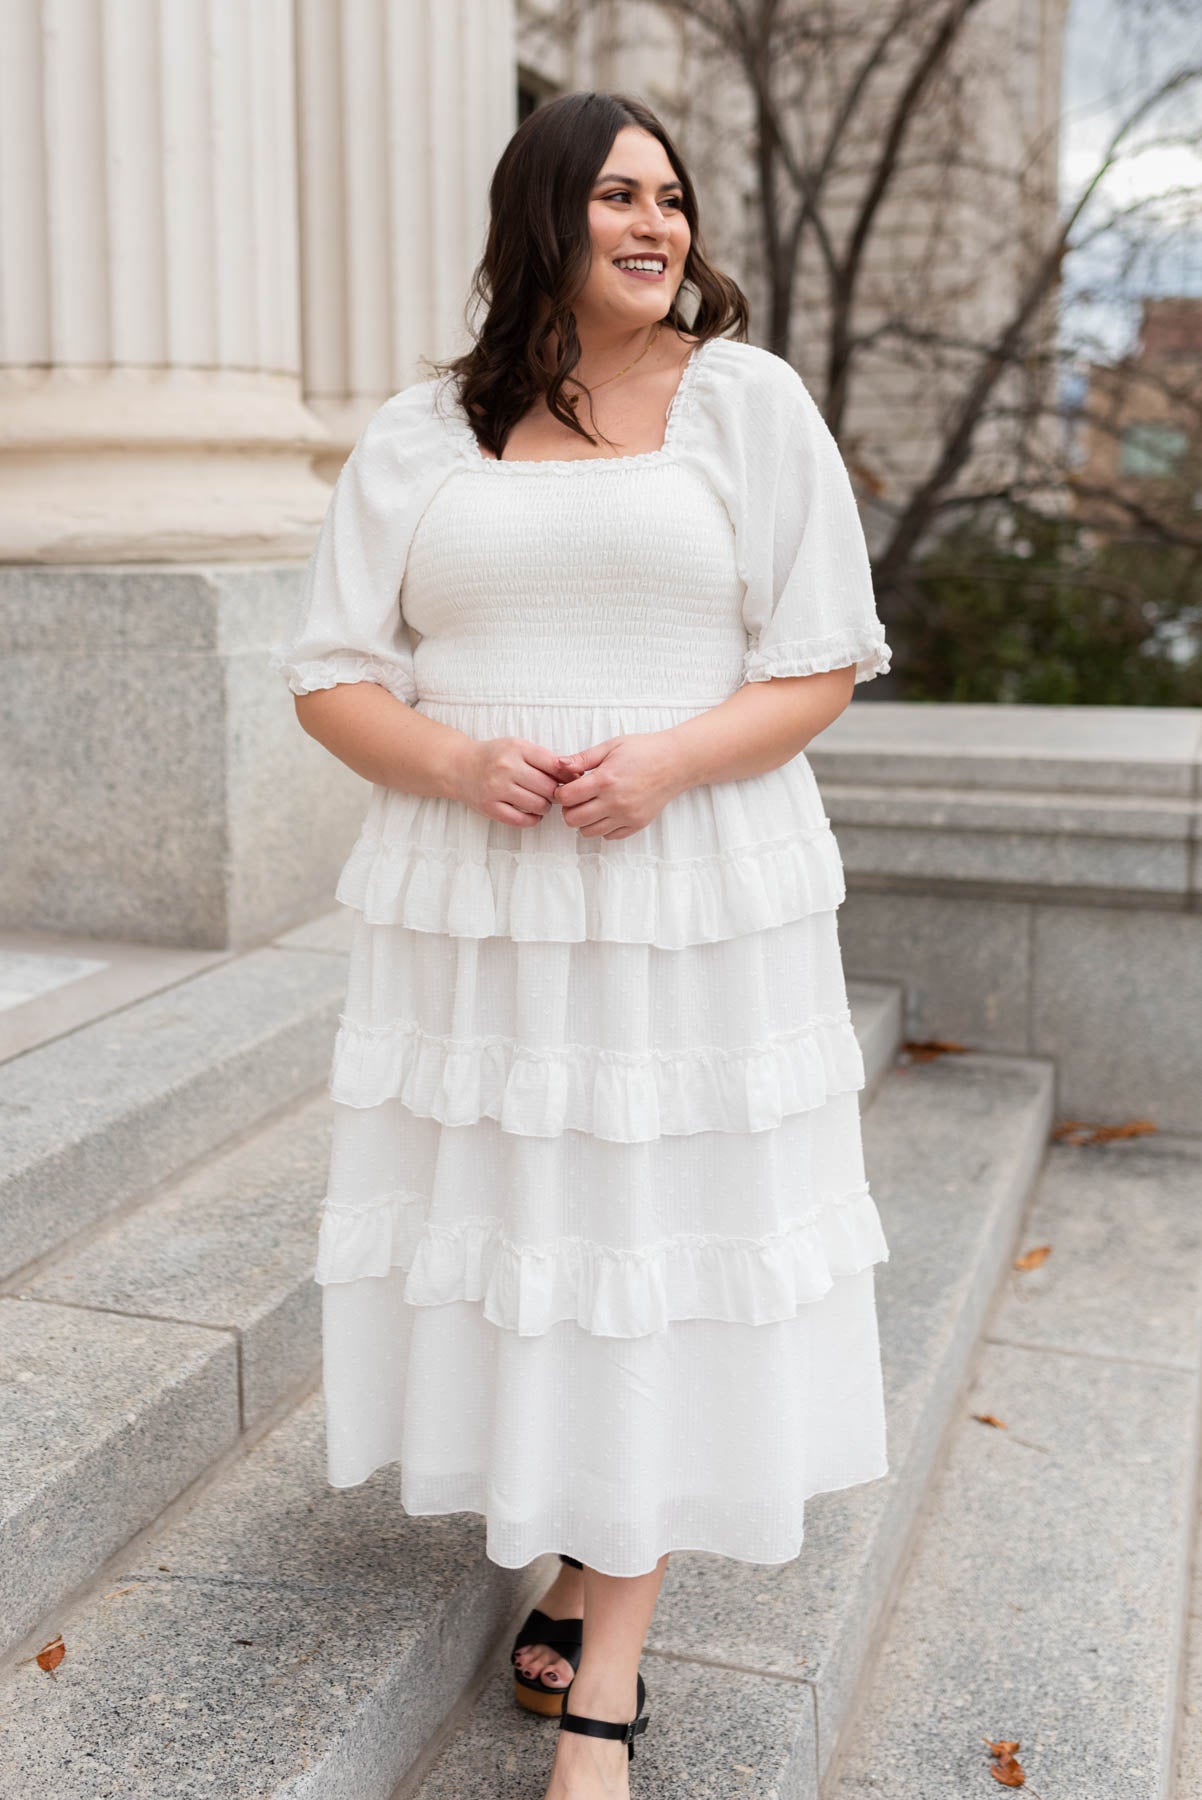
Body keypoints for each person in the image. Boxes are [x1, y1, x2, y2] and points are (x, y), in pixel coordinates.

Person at [271, 88, 892, 1800]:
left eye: (672, 199)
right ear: (539, 216)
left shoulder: (745, 404)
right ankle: (578, 1545)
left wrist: (671, 761)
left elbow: (822, 658)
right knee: (539, 1243)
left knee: (659, 1246)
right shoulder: (420, 431)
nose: (656, 223)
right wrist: (459, 760)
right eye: (617, 193)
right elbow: (332, 676)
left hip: (686, 887)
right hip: (481, 902)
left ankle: (605, 1674)